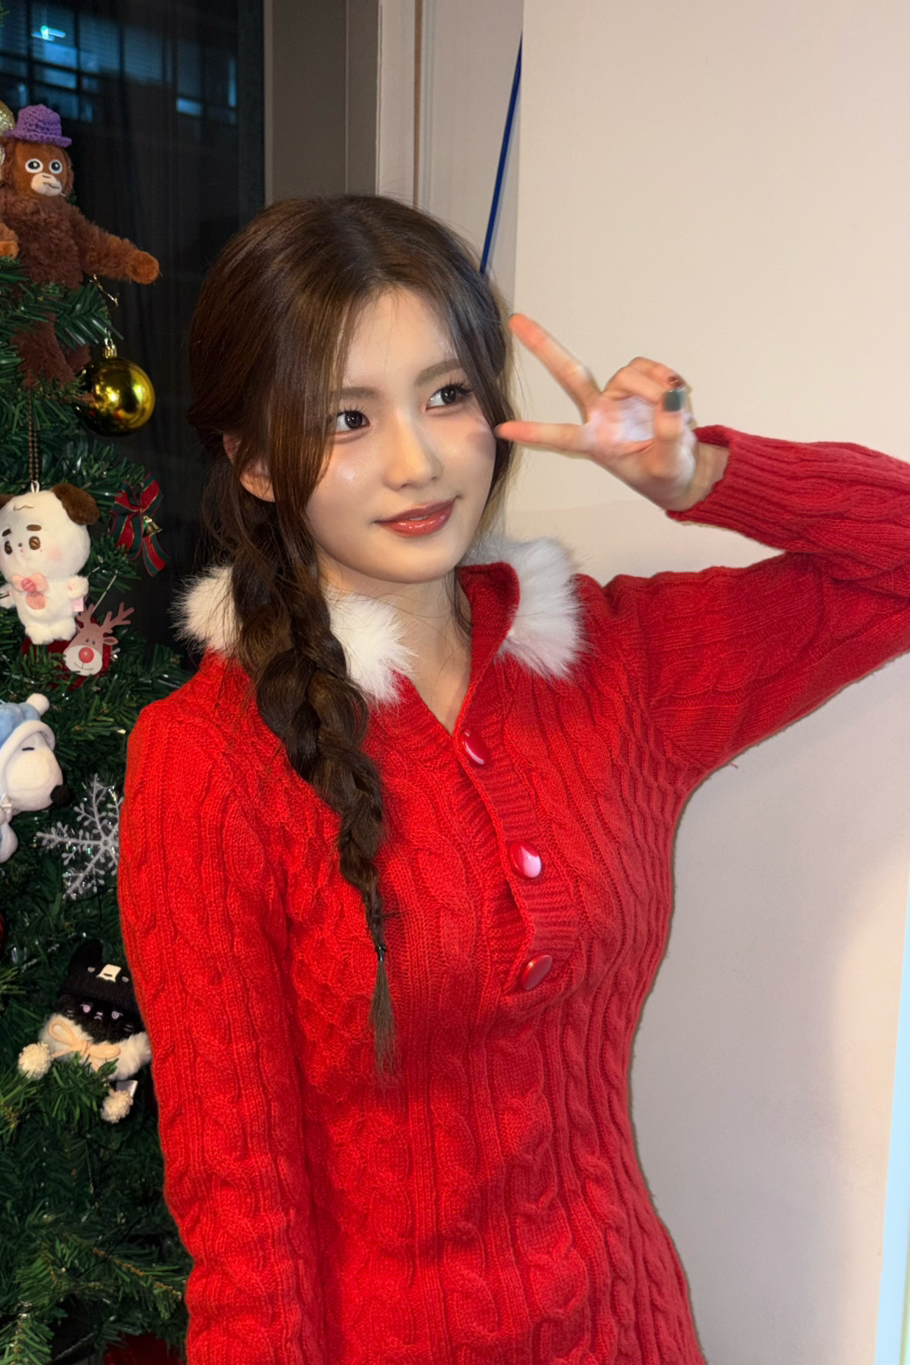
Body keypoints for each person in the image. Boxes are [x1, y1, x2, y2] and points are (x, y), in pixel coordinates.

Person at [117, 194, 910, 1365]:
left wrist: (697, 475)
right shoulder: (207, 761)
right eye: (346, 418)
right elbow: (243, 1217)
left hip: (631, 1331)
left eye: (446, 395)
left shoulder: (617, 665)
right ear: (257, 463)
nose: (417, 461)